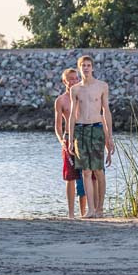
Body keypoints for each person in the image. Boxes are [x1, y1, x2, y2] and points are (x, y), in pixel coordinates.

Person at [68, 55, 114, 218]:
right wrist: (70, 138)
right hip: (81, 130)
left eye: (88, 65)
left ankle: (100, 208)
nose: (86, 68)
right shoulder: (75, 89)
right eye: (83, 66)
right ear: (80, 68)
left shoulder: (102, 86)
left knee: (98, 170)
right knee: (86, 172)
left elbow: (106, 112)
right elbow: (73, 115)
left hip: (96, 129)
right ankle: (91, 209)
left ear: (92, 67)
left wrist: (110, 137)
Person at [54, 68, 90, 219]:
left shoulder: (83, 96)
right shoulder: (61, 100)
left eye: (76, 78)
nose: (74, 81)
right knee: (70, 177)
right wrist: (61, 140)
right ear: (65, 81)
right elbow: (57, 125)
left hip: (83, 138)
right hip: (69, 139)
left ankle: (84, 212)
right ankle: (70, 213)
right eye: (71, 79)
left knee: (86, 176)